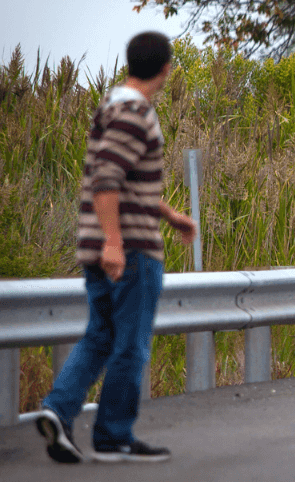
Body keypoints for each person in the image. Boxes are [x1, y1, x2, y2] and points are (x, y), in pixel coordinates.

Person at [35, 31, 196, 464]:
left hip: (99, 242)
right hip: (128, 251)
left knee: (100, 336)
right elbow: (107, 178)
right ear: (166, 68)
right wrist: (115, 243)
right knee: (131, 343)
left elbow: (123, 181)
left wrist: (171, 215)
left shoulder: (110, 106)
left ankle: (58, 409)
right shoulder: (135, 112)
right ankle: (113, 436)